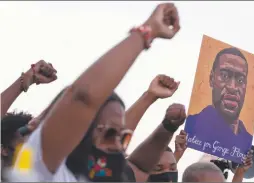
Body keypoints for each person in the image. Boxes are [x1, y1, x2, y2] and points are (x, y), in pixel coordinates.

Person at [11, 3, 181, 182]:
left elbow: (139, 166)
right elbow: (83, 99)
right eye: (109, 135)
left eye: (124, 138)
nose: (118, 146)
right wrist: (148, 31)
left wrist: (151, 99)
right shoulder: (37, 170)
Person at [185, 47, 252, 163]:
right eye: (225, 76)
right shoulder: (191, 127)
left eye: (240, 80)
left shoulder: (246, 144)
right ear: (211, 78)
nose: (232, 87)